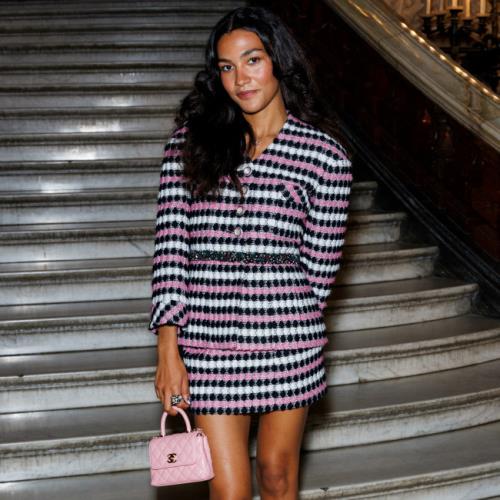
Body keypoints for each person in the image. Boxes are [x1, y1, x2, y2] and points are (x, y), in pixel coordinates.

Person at [149, 6, 353, 500]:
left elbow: (319, 273)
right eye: (226, 66)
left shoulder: (326, 157)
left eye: (252, 60)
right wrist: (168, 348)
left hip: (288, 341)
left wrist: (286, 316)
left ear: (278, 61)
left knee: (278, 478)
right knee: (229, 491)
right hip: (208, 345)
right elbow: (170, 248)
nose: (240, 78)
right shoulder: (189, 146)